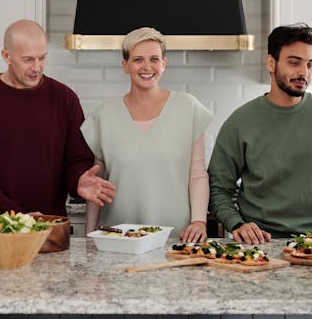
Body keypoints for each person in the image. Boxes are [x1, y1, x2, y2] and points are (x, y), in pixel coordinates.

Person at [208, 23, 312, 244]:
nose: (303, 72)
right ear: (270, 63)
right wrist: (237, 224)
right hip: (259, 244)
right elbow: (218, 189)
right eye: (294, 63)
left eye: (309, 65)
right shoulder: (241, 122)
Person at [0, 19, 115, 220]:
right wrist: (18, 217)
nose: (37, 67)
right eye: (28, 59)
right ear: (6, 56)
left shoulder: (65, 98)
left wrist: (78, 180)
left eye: (42, 58)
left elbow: (76, 159)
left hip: (49, 225)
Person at [81, 27, 213, 242]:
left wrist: (199, 221)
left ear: (164, 63)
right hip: (116, 238)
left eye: (154, 59)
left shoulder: (188, 108)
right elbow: (98, 185)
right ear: (125, 65)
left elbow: (197, 174)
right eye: (138, 60)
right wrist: (89, 236)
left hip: (175, 236)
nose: (147, 67)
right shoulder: (103, 116)